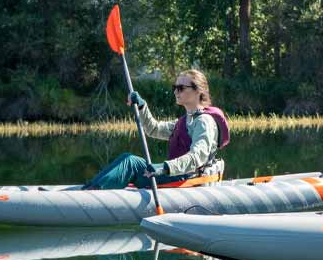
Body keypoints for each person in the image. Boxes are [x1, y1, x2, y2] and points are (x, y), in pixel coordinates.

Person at [83, 69, 230, 190]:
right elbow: (153, 129)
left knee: (131, 163)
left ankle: (94, 192)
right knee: (126, 158)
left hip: (187, 179)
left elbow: (197, 157)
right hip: (176, 174)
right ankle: (93, 187)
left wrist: (165, 167)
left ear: (198, 91)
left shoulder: (204, 121)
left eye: (181, 88)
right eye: (174, 88)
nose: (175, 92)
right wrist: (142, 107)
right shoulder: (185, 120)